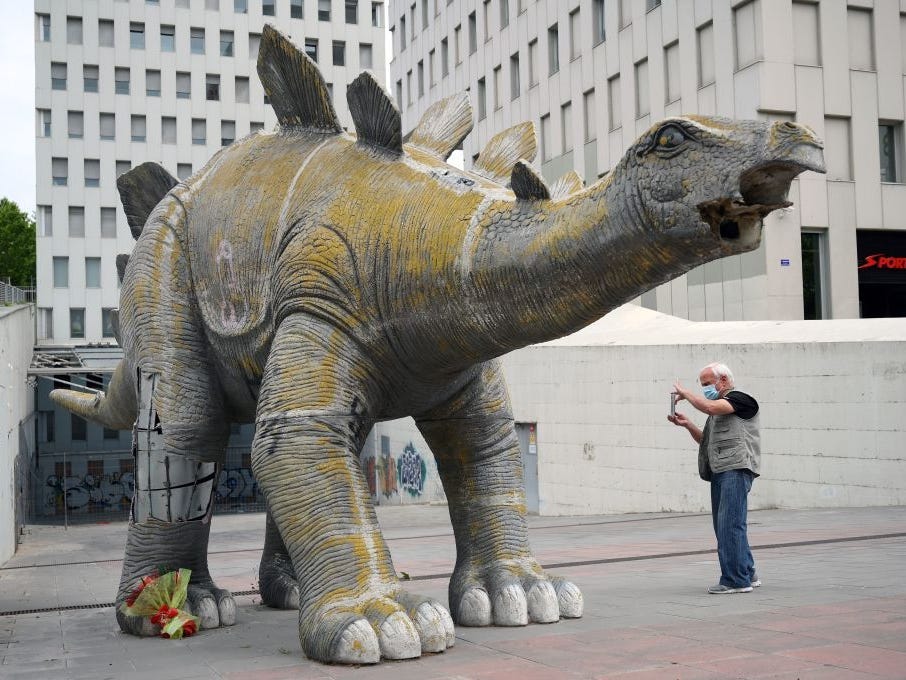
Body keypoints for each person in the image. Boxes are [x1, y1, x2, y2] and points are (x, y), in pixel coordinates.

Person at [668, 362, 761, 594]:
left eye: (707, 384)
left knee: (730, 524)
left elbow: (709, 406)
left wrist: (686, 394)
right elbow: (707, 443)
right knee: (727, 526)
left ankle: (735, 581)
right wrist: (688, 425)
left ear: (724, 381)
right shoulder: (718, 410)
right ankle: (747, 572)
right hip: (721, 469)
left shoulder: (740, 399)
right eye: (702, 385)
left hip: (735, 469)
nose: (705, 389)